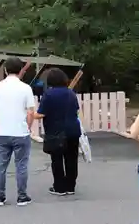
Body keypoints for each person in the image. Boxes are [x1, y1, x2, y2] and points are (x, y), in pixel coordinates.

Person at [0, 57, 35, 207]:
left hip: (2, 132)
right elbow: (30, 112)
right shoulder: (26, 88)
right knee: (21, 165)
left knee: (1, 166)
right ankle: (22, 196)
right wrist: (27, 127)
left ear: (6, 70)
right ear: (21, 70)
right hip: (20, 132)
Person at [34, 68, 81, 196]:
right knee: (72, 159)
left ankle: (59, 187)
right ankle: (71, 186)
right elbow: (76, 111)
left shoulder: (49, 94)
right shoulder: (71, 93)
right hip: (73, 130)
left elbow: (41, 113)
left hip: (56, 132)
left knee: (57, 159)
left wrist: (31, 115)